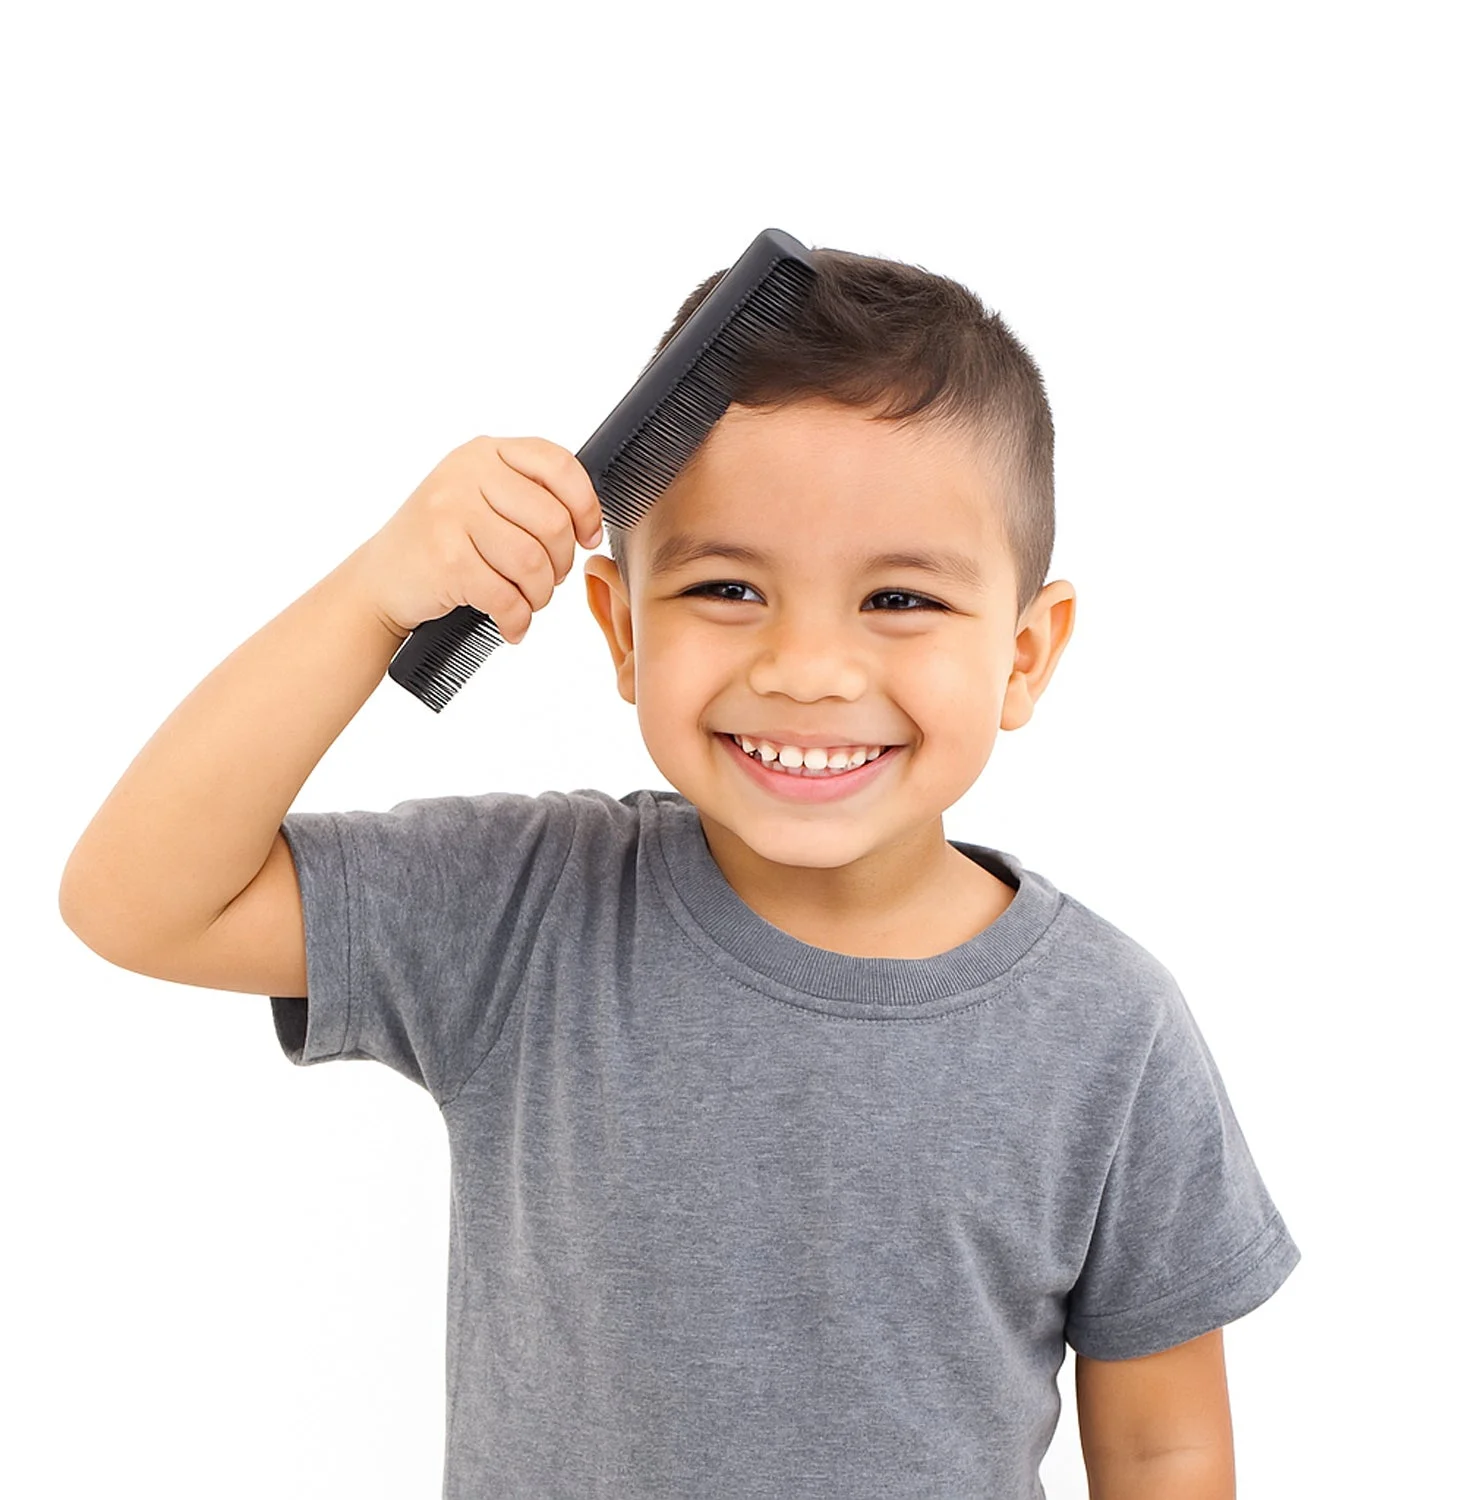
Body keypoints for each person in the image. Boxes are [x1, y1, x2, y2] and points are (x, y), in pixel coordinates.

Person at [58, 246, 1300, 1499]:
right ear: (621, 629)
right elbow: (138, 901)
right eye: (728, 586)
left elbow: (1163, 1443)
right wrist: (374, 598)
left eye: (899, 600)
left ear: (1025, 655)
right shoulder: (521, 910)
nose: (806, 668)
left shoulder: (1111, 1029)